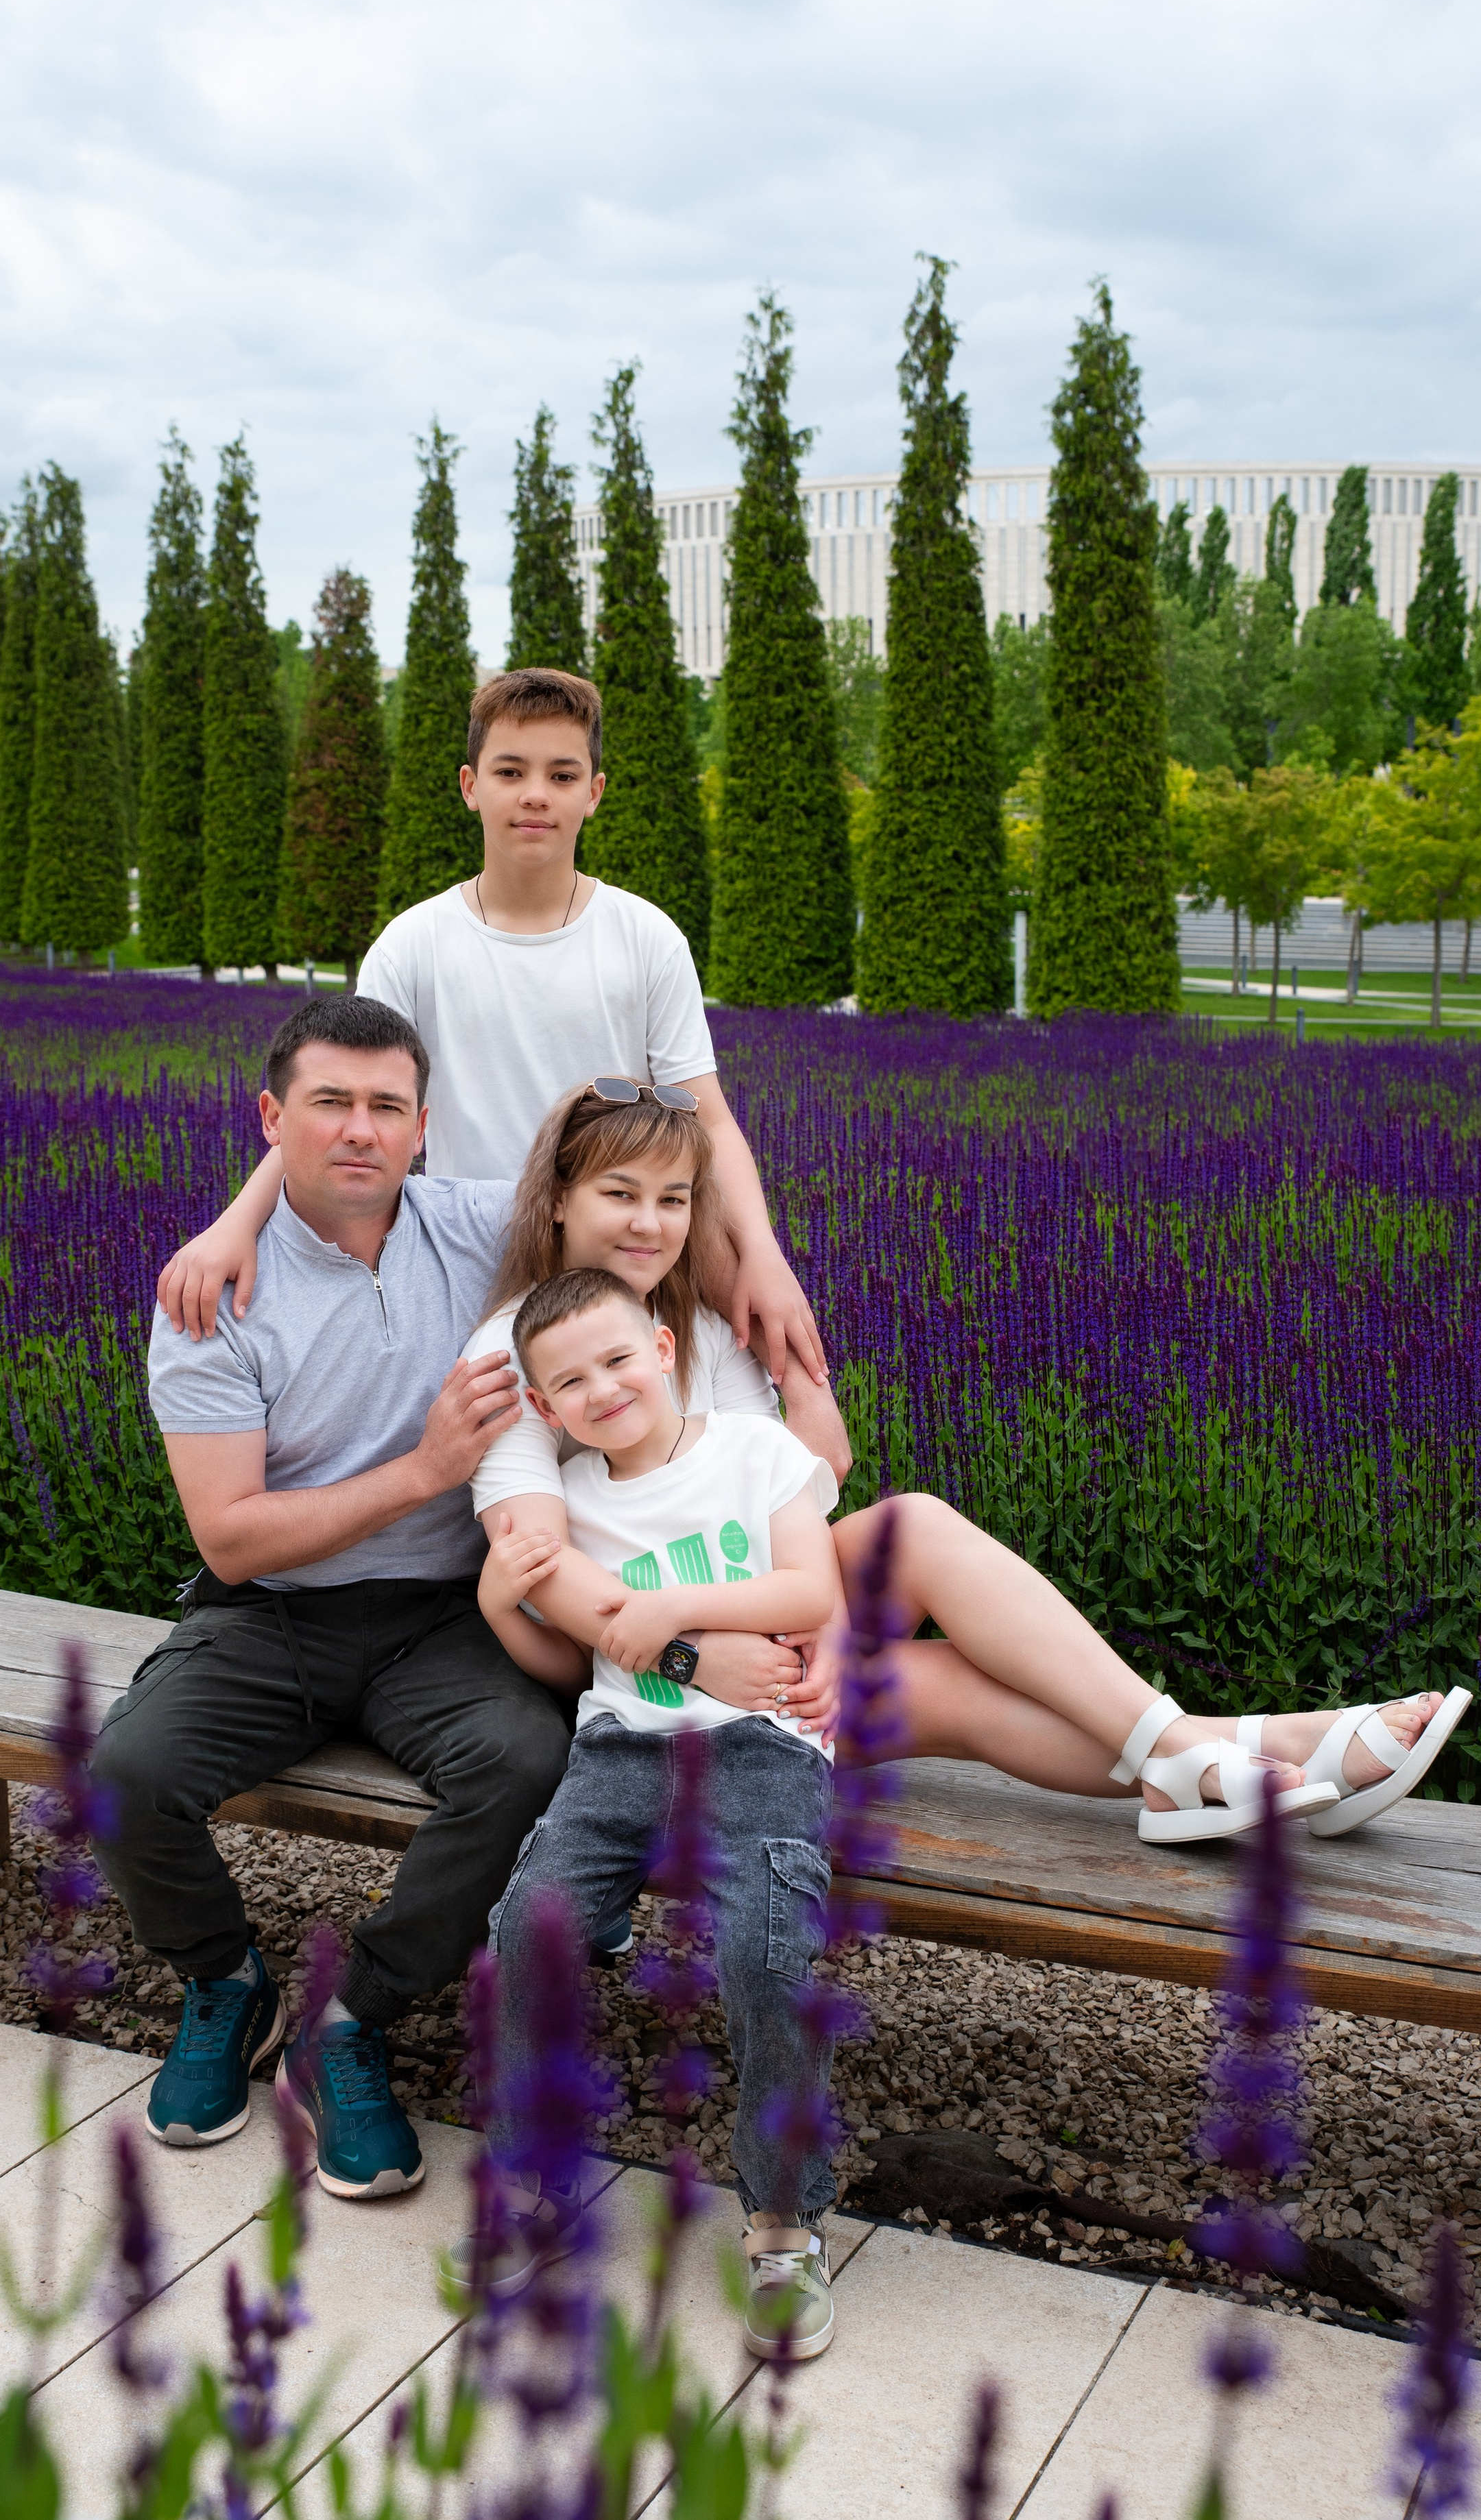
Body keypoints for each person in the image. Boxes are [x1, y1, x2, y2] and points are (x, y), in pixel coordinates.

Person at [463, 1078, 1469, 1843]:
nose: (649, 1222)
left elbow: (780, 1501)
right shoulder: (512, 1353)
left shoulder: (694, 1328)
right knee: (945, 1684)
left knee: (915, 1524)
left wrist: (825, 1634)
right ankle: (1243, 1749)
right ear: (558, 1199)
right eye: (619, 1193)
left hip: (765, 1609)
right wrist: (696, 1650)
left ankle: (1187, 1758)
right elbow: (545, 1568)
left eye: (674, 1199)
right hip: (644, 1678)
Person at [91, 991, 573, 2189]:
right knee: (127, 1779)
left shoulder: (474, 1232)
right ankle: (222, 1980)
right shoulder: (211, 1298)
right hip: (274, 1617)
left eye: (384, 1107)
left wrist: (775, 1315)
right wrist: (428, 1467)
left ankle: (351, 2020)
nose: (358, 1131)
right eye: (328, 1105)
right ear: (272, 1117)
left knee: (521, 1762)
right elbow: (236, 1541)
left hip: (443, 1616)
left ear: (423, 1126)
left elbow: (641, 1186)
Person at [156, 664, 850, 1482]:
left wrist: (762, 1255)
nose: (535, 795)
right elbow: (353, 1109)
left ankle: (800, 1503)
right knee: (532, 1479)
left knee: (694, 1447)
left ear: (594, 792)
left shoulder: (644, 936)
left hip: (624, 1237)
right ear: (469, 786)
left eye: (561, 775)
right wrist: (238, 1221)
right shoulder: (415, 945)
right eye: (510, 771)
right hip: (482, 1259)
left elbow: (709, 1121)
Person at [472, 1267, 846, 2363]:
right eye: (571, 1381)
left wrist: (672, 1604)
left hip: (762, 1750)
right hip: (621, 1746)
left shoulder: (757, 1451)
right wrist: (504, 1597)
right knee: (524, 1928)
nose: (603, 1387)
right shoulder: (571, 1505)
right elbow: (565, 1651)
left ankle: (784, 2221)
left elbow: (809, 1593)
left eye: (619, 1357)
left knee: (767, 1953)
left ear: (667, 1347)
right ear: (545, 1409)